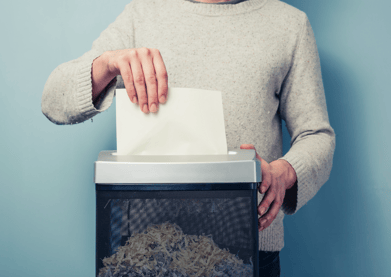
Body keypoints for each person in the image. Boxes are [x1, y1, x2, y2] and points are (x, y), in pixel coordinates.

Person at [41, 0, 336, 276]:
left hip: (249, 249)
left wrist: (284, 173)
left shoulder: (290, 25)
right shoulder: (142, 14)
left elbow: (317, 135)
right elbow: (53, 102)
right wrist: (106, 64)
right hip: (145, 250)